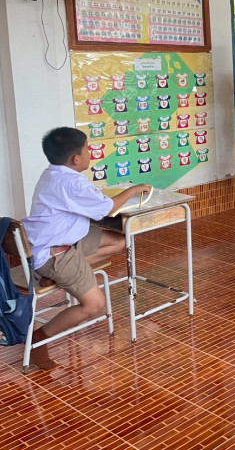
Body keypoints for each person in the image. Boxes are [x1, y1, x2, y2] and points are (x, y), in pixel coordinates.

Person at [22, 127, 151, 370]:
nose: (90, 153)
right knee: (94, 305)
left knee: (119, 240)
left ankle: (58, 276)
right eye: (88, 149)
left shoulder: (52, 173)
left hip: (60, 240)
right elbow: (107, 209)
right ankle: (40, 338)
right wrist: (133, 190)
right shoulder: (72, 183)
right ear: (75, 159)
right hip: (57, 253)